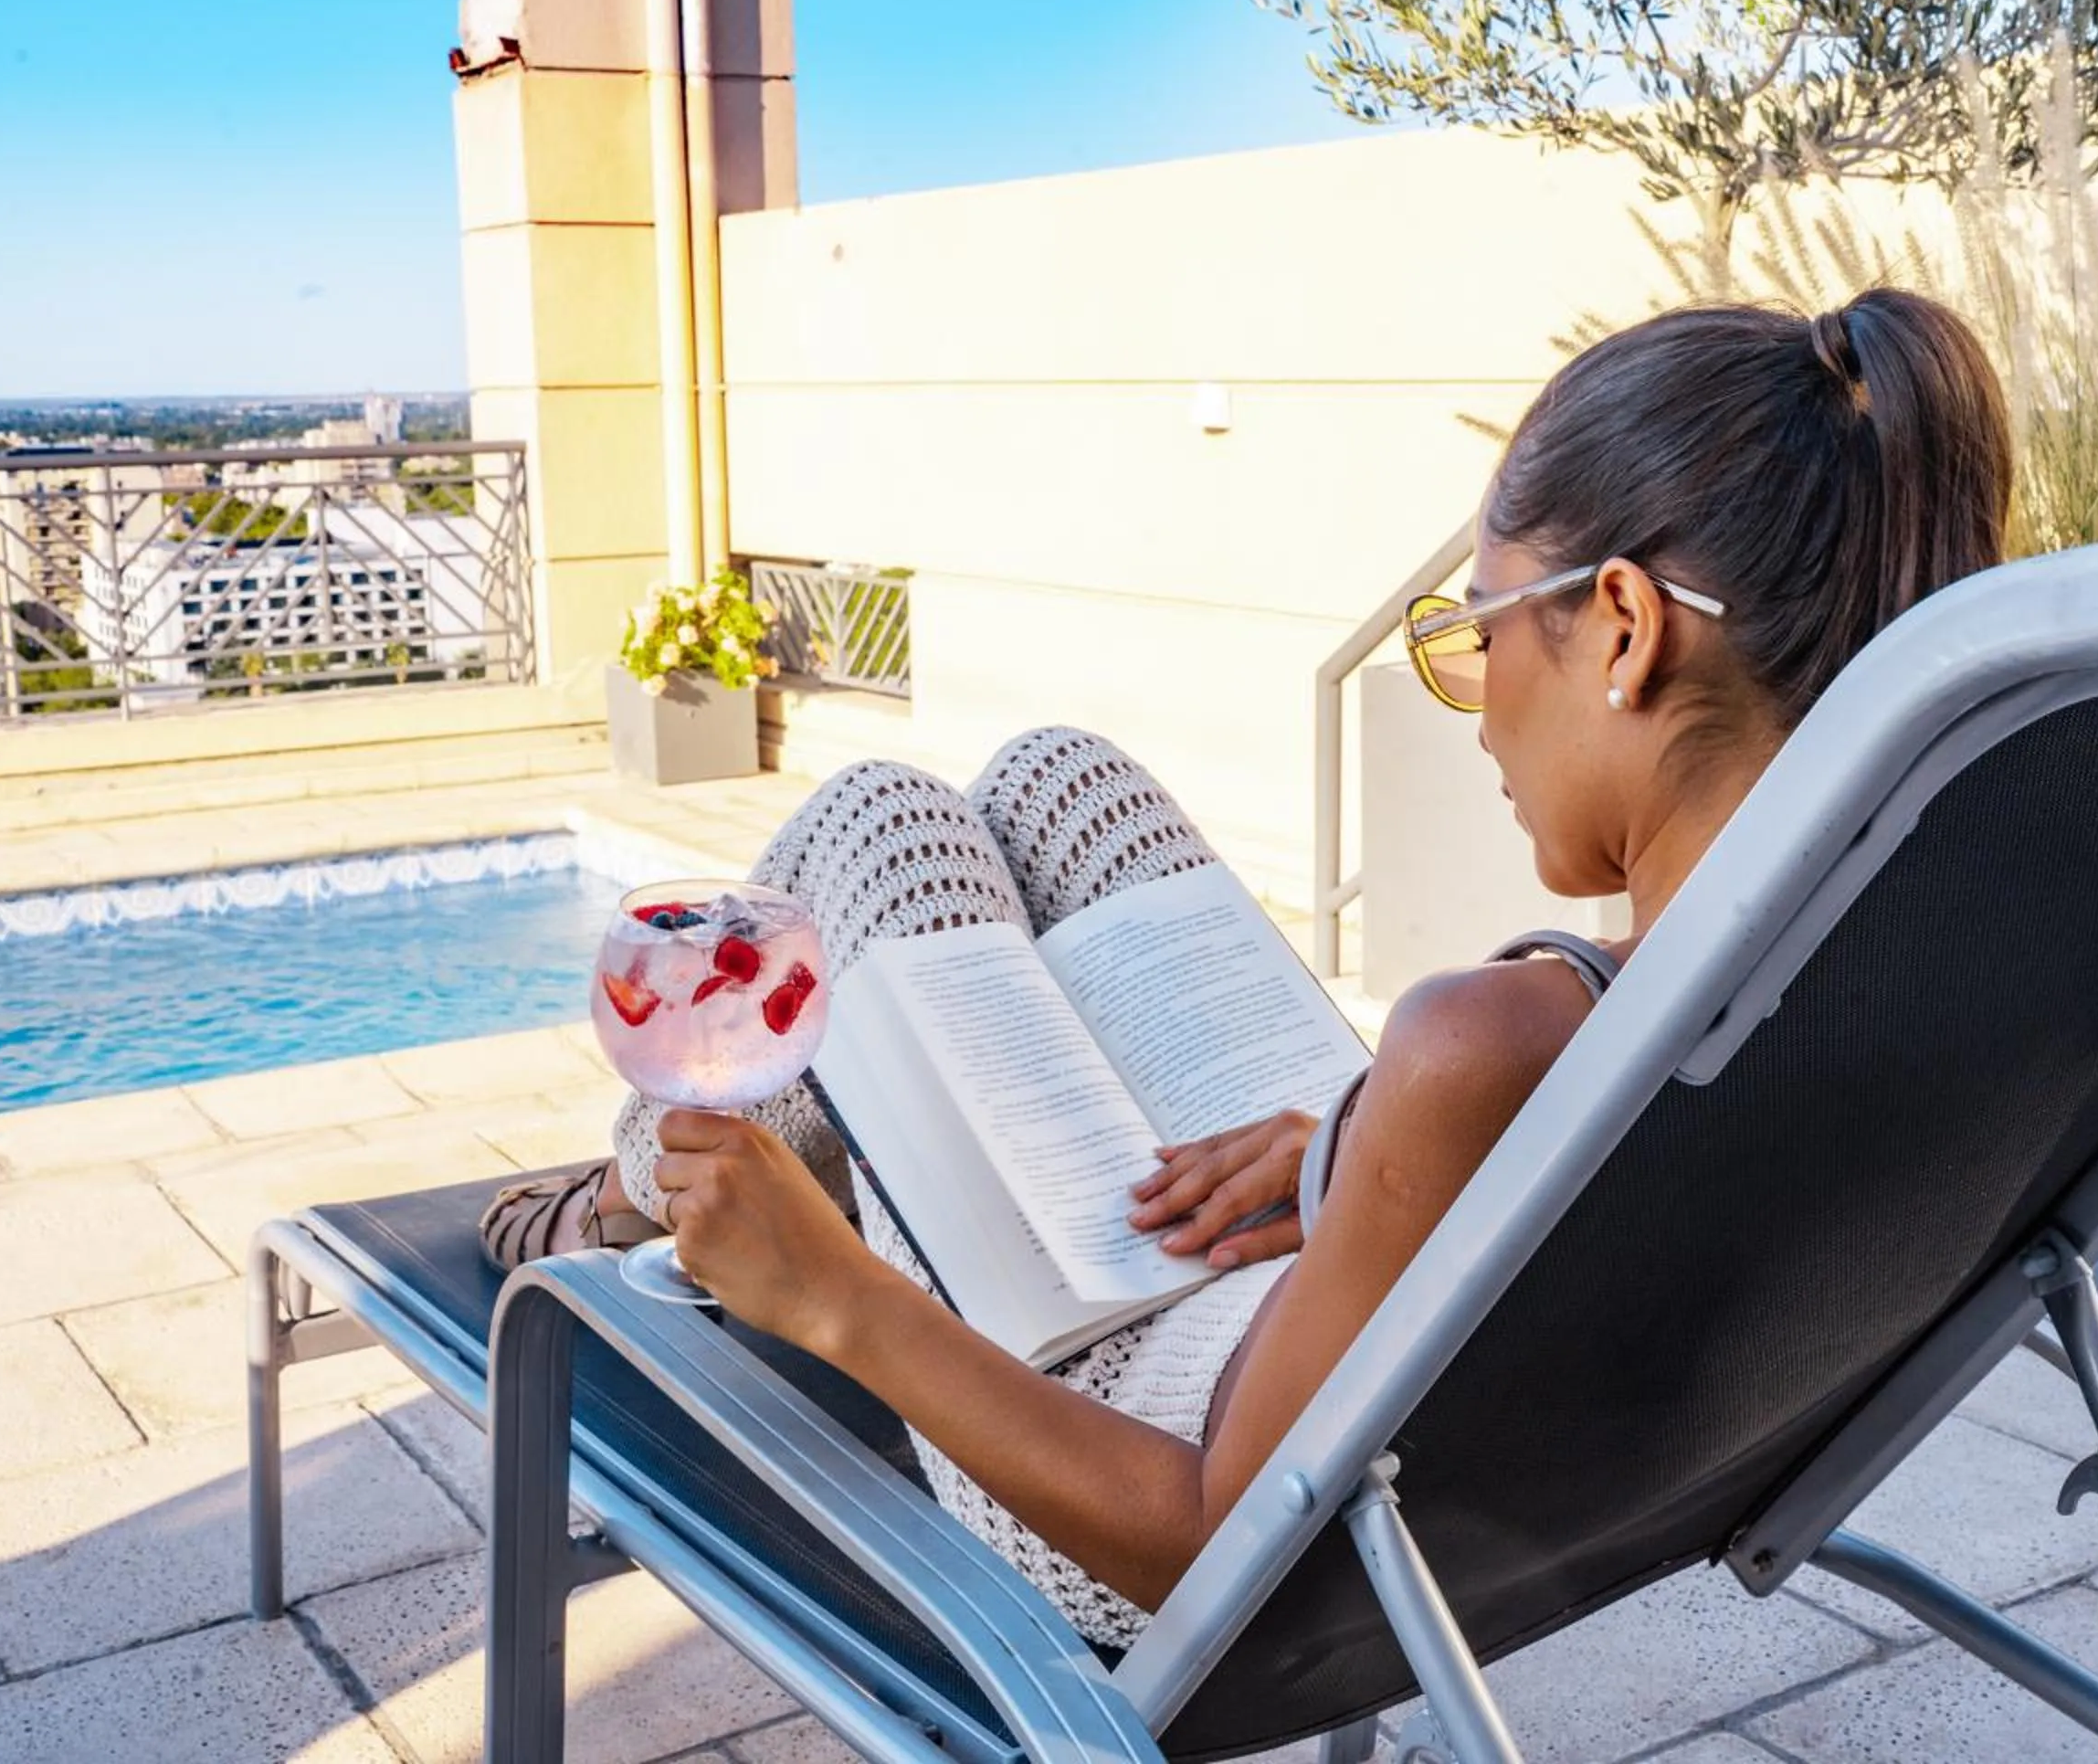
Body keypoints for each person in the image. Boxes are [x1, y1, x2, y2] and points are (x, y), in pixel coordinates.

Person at [479, 288, 2014, 1644]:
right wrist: (1368, 1168)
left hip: (1132, 1490)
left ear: (1621, 628)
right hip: (1336, 1344)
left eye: (1479, 632)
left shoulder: (1498, 1044)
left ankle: (650, 1189)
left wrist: (838, 1296)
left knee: (884, 821)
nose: (1473, 707)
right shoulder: (1926, 957)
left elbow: (1203, 1541)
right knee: (1060, 781)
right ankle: (678, 1170)